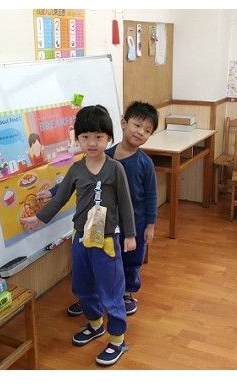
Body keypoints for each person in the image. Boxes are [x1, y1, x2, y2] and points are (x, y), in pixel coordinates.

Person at [20, 105, 136, 367]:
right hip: (81, 239)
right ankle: (95, 325)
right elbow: (59, 199)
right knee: (82, 287)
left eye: (98, 137)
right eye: (85, 137)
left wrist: (130, 235)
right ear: (77, 139)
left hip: (106, 242)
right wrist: (39, 218)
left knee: (111, 292)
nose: (92, 143)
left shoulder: (115, 169)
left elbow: (126, 204)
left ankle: (117, 339)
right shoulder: (76, 169)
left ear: (108, 138)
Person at [38, 101, 159, 317]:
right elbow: (78, 177)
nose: (141, 132)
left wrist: (150, 225)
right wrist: (54, 192)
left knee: (131, 259)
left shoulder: (145, 163)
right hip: (105, 221)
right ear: (123, 123)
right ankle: (92, 299)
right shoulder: (104, 153)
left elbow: (151, 196)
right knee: (100, 261)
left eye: (147, 130)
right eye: (137, 125)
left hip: (135, 220)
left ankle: (125, 293)